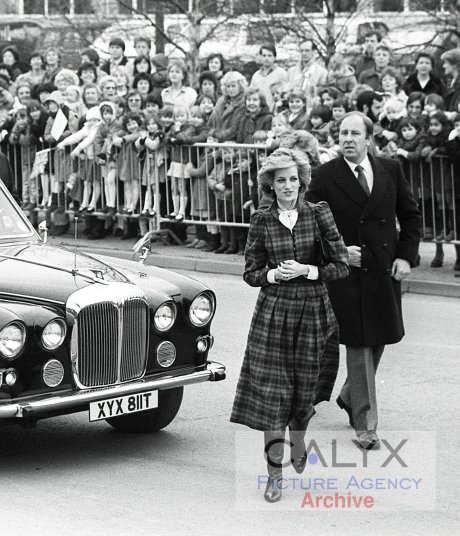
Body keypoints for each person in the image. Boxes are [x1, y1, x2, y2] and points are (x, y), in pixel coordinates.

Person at [230, 146, 349, 503]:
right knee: (273, 397)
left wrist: (307, 270)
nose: (288, 187)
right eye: (280, 180)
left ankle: (298, 437)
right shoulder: (261, 220)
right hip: (274, 313)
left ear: (302, 182)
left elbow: (340, 264)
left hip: (313, 311)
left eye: (293, 179)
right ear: (270, 184)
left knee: (305, 391)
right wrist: (272, 274)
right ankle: (275, 475)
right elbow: (250, 273)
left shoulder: (318, 214)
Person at [307, 112, 422, 450]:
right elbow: (309, 223)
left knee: (380, 337)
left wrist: (405, 256)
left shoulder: (390, 168)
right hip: (346, 272)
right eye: (343, 133)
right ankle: (366, 424)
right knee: (358, 343)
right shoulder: (325, 176)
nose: (348, 138)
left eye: (355, 133)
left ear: (369, 137)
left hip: (383, 267)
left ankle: (347, 395)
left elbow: (411, 215)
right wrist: (339, 250)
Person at [250, 43, 287, 112]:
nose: (267, 58)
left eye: (270, 56)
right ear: (260, 57)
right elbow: (251, 95)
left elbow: (286, 95)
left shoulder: (282, 73)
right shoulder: (256, 75)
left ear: (274, 57)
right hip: (258, 113)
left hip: (275, 113)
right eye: (264, 55)